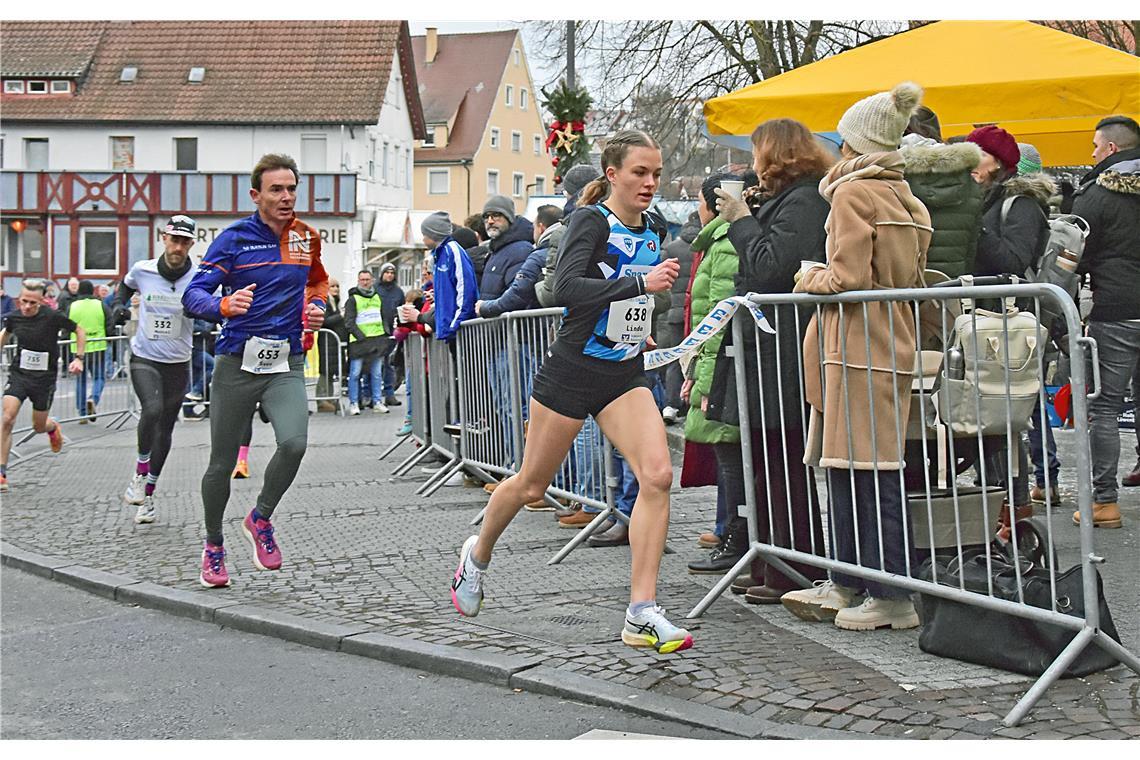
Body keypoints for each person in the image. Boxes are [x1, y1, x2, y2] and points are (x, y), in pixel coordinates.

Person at [449, 130, 694, 654]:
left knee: (657, 475)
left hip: (622, 374)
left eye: (656, 173)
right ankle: (477, 555)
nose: (651, 182)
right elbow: (566, 289)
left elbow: (626, 290)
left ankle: (641, 611)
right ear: (612, 175)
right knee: (532, 486)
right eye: (639, 173)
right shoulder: (589, 221)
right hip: (571, 371)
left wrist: (637, 321)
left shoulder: (653, 226)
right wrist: (639, 288)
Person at [782, 83, 932, 631]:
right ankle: (855, 580)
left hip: (852, 347)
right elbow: (911, 279)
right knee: (872, 469)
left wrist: (806, 275)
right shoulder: (908, 198)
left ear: (857, 145)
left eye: (843, 143)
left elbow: (845, 278)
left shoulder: (852, 195)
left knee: (857, 471)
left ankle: (883, 589)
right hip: (891, 341)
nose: (837, 153)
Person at [182, 153, 328, 588]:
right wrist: (223, 305)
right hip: (237, 361)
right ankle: (213, 546)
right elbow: (194, 295)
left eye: (291, 189)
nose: (286, 197)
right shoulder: (233, 240)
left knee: (295, 444)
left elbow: (317, 281)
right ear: (256, 195)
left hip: (285, 360)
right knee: (222, 463)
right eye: (276, 190)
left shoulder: (306, 237)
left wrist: (317, 304)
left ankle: (259, 517)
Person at [704, 118, 832, 603]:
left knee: (780, 461)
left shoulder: (803, 201)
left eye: (757, 151)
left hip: (781, 352)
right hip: (767, 350)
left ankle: (789, 566)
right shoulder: (792, 199)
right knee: (764, 460)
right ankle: (768, 559)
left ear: (775, 154)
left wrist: (740, 217)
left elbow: (768, 268)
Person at [965, 125, 1054, 528]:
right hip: (979, 323)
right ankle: (997, 505)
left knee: (1004, 419)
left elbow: (1012, 261)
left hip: (1006, 326)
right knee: (984, 418)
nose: (969, 164)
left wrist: (974, 225)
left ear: (998, 162)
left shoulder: (1020, 204)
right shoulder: (986, 199)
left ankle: (1015, 509)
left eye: (976, 155)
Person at [1070, 115, 1140, 529]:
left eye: (1096, 147)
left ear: (1111, 149)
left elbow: (1073, 250)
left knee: (1106, 407)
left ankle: (1104, 501)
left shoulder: (1096, 195)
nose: (1093, 154)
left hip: (1116, 309)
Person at [681, 173, 746, 573]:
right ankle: (732, 536)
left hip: (719, 365)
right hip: (712, 362)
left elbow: (717, 315)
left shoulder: (724, 242)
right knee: (729, 459)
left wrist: (704, 381)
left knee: (732, 461)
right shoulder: (717, 240)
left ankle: (735, 539)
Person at [115, 214, 198, 523]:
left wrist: (202, 313)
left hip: (178, 362)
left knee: (166, 428)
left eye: (184, 242)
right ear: (164, 238)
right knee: (151, 410)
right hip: (145, 357)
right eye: (173, 239)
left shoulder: (200, 277)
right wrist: (117, 308)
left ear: (191, 244)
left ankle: (148, 496)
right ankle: (139, 473)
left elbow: (214, 306)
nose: (177, 247)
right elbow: (123, 288)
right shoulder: (143, 270)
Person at [1, 280, 84, 492]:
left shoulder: (52, 316)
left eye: (32, 303)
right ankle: (2, 473)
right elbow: (6, 334)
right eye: (23, 301)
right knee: (7, 418)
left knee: (38, 426)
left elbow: (79, 330)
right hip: (19, 374)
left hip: (44, 380)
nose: (26, 307)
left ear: (41, 301)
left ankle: (51, 427)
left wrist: (79, 358)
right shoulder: (15, 317)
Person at [898, 112, 985, 278]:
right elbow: (972, 245)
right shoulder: (969, 182)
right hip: (953, 285)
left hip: (904, 287)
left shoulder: (894, 179)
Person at [658, 211, 701, 424]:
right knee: (698, 357)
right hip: (699, 313)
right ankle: (693, 403)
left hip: (675, 312)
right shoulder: (705, 246)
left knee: (675, 359)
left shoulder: (672, 249)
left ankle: (670, 406)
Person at [420, 212, 477, 342]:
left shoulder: (453, 251)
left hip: (458, 330)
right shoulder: (439, 255)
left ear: (434, 234)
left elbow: (465, 288)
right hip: (449, 330)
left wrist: (455, 324)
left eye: (425, 235)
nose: (423, 239)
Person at [344, 269, 393, 416]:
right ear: (358, 281)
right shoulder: (353, 299)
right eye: (362, 280)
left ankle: (377, 402)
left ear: (372, 280)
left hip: (377, 341)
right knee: (355, 374)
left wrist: (386, 333)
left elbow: (384, 316)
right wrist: (361, 337)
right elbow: (349, 322)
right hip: (359, 343)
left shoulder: (378, 297)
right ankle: (354, 403)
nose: (365, 282)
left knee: (377, 373)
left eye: (367, 279)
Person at [67, 280, 114, 423]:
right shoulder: (100, 305)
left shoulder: (73, 306)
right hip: (98, 346)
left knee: (80, 381)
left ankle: (82, 413)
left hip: (77, 348)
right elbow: (109, 323)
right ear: (93, 291)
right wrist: (110, 338)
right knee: (99, 377)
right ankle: (93, 398)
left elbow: (66, 324)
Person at [478, 195, 535, 305]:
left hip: (509, 320)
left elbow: (518, 295)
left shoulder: (521, 250)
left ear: (509, 218)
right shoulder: (495, 250)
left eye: (496, 215)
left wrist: (488, 309)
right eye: (486, 217)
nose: (490, 221)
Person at [376, 263, 405, 407]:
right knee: (375, 365)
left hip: (391, 333)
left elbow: (401, 310)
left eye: (392, 273)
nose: (389, 275)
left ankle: (389, 393)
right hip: (376, 331)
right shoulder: (375, 289)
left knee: (389, 364)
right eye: (386, 272)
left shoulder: (398, 292)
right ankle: (371, 395)